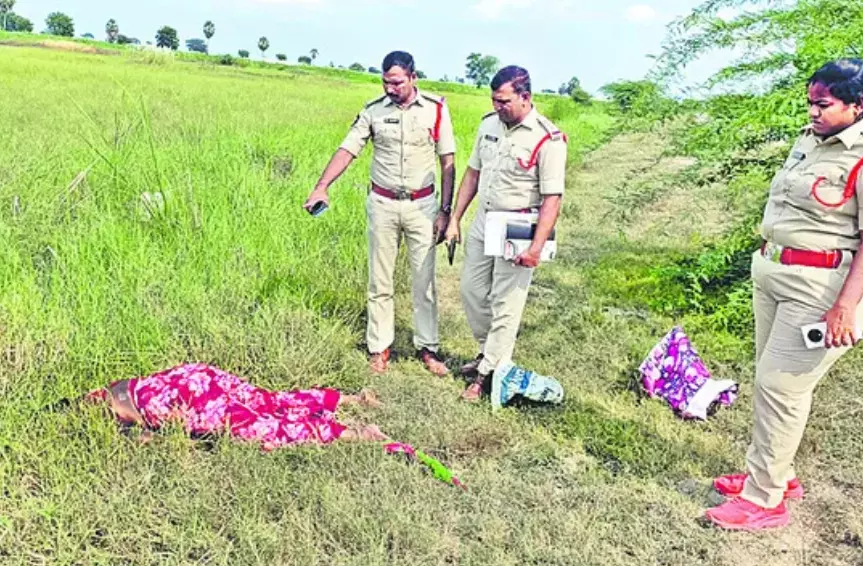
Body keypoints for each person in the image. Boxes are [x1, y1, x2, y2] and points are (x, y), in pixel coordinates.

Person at [705, 58, 863, 531]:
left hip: (824, 287)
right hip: (776, 273)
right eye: (810, 102)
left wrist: (846, 307)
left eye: (824, 104)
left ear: (857, 106)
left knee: (782, 386)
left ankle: (765, 500)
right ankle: (776, 473)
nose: (813, 112)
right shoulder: (809, 142)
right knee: (771, 382)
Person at [303, 51, 456, 376]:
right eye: (386, 82)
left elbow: (448, 162)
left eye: (397, 82)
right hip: (383, 204)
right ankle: (379, 348)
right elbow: (348, 149)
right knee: (379, 281)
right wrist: (322, 186)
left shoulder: (436, 110)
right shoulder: (373, 111)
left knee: (424, 281)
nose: (390, 88)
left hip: (422, 207)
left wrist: (446, 210)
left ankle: (428, 348)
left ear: (413, 77)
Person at [444, 65, 568, 401]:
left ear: (526, 97)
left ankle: (487, 375)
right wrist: (455, 218)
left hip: (518, 225)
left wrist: (537, 247)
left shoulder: (547, 138)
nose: (498, 106)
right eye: (494, 100)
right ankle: (490, 353)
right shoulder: (489, 124)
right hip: (485, 220)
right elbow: (472, 174)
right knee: (472, 291)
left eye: (505, 101)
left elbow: (552, 198)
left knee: (506, 300)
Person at [86, 363, 387, 450]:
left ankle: (357, 434)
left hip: (196, 401)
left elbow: (156, 438)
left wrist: (196, 443)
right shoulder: (112, 387)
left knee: (268, 428)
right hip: (196, 377)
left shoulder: (115, 418)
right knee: (268, 400)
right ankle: (351, 400)